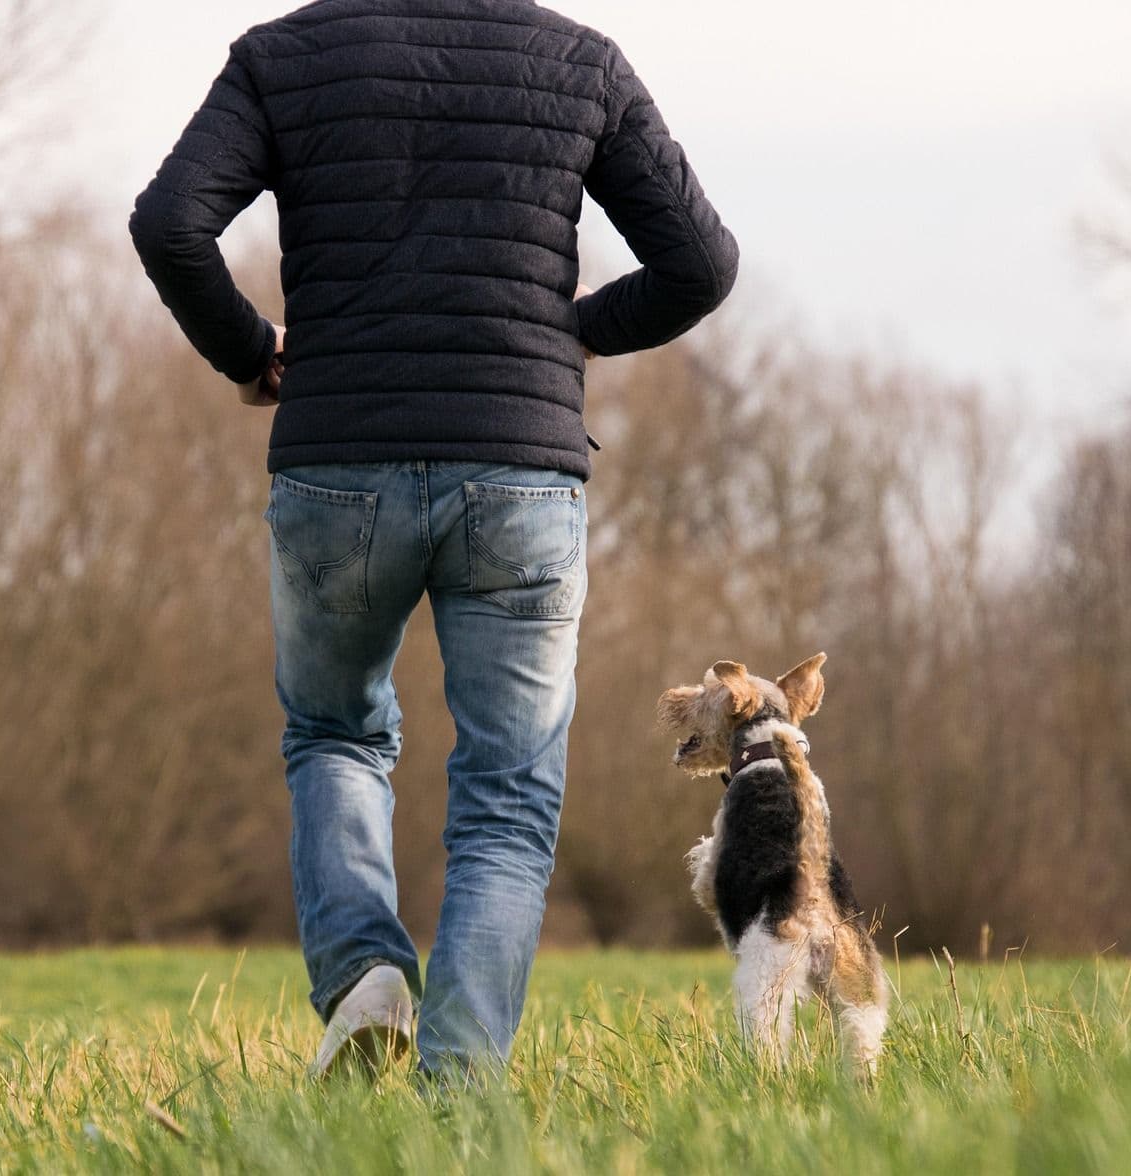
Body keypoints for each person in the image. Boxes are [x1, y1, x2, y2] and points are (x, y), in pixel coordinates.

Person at [129, 0, 738, 1079]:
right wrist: (568, 332)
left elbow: (171, 223)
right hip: (521, 474)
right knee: (509, 793)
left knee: (335, 735)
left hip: (337, 463)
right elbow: (700, 263)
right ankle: (460, 1086)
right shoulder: (582, 63)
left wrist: (253, 354)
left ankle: (365, 976)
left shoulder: (282, 56)